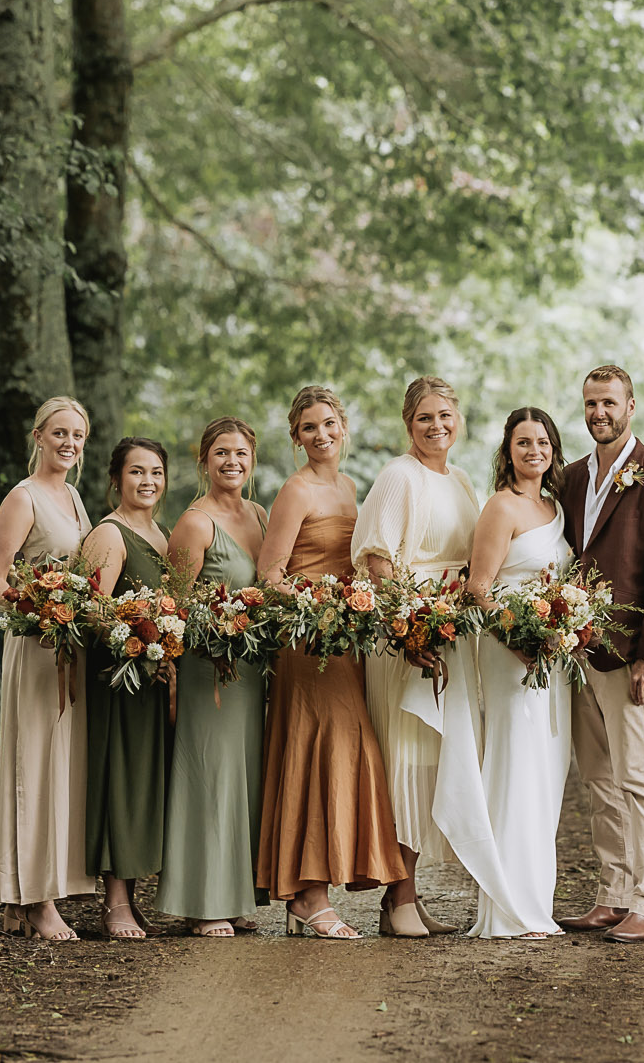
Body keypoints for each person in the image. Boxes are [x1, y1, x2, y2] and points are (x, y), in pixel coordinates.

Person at [254, 386, 408, 939]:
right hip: (306, 643)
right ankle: (311, 897)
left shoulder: (350, 488)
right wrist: (316, 602)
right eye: (308, 428)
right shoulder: (295, 492)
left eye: (328, 424)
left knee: (349, 749)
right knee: (314, 749)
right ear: (296, 439)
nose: (321, 435)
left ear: (344, 426)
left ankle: (313, 892)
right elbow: (270, 575)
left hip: (347, 638)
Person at [556, 365, 644, 945]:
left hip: (627, 653)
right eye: (590, 403)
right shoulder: (569, 477)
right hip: (573, 652)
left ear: (631, 407)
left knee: (637, 773)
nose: (598, 413)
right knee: (597, 778)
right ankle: (612, 893)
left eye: (609, 402)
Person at [351, 376, 481, 936]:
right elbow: (377, 561)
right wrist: (411, 628)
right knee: (405, 760)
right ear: (409, 423)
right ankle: (397, 899)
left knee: (433, 765)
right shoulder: (398, 477)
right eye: (426, 417)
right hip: (406, 637)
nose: (438, 426)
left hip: (451, 632)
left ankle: (407, 895)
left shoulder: (462, 479)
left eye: (446, 415)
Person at [452, 408, 575, 938]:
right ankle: (507, 907)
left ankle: (534, 903)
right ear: (508, 451)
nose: (534, 451)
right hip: (511, 655)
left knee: (548, 774)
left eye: (543, 442)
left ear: (553, 449)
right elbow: (478, 588)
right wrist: (520, 641)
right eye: (523, 442)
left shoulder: (556, 506)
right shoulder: (500, 507)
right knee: (516, 769)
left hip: (553, 658)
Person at [0, 397, 98, 941]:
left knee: (57, 768)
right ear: (37, 436)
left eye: (77, 435)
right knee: (33, 764)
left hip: (68, 647)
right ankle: (38, 901)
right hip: (35, 647)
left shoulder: (73, 496)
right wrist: (40, 614)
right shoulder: (22, 497)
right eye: (59, 433)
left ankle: (17, 899)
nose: (69, 443)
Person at [161, 417, 269, 937]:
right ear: (204, 461)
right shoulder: (194, 523)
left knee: (243, 779)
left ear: (253, 460)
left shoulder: (262, 516)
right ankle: (203, 903)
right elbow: (175, 609)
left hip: (253, 671)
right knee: (210, 778)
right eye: (222, 453)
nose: (233, 463)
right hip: (210, 671)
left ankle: (235, 894)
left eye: (241, 454)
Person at [80, 438, 174, 939]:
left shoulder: (159, 534)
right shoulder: (109, 534)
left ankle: (131, 896)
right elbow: (93, 609)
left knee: (143, 784)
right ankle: (114, 902)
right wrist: (136, 642)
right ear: (116, 479)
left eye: (156, 472)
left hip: (153, 678)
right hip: (119, 678)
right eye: (136, 472)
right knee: (122, 780)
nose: (147, 482)